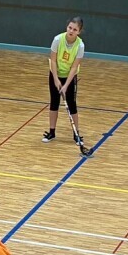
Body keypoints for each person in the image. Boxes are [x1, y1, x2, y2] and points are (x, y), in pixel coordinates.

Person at [44, 17, 91, 156]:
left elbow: (75, 67)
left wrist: (66, 85)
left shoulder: (80, 46)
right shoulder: (58, 39)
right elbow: (53, 60)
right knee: (54, 102)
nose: (71, 31)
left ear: (79, 32)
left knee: (72, 104)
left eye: (75, 29)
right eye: (70, 27)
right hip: (55, 73)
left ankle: (76, 135)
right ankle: (52, 132)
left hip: (70, 76)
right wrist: (56, 79)